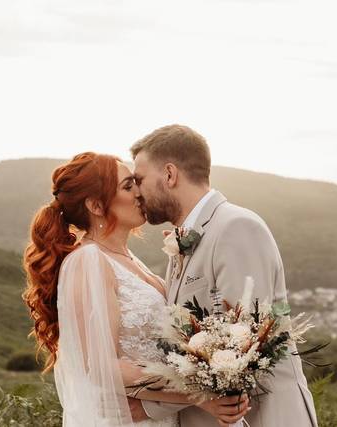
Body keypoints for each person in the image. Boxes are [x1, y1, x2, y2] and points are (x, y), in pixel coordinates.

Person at [22, 152, 249, 426]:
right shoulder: (88, 261)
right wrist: (199, 393)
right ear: (95, 205)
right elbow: (104, 367)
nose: (139, 194)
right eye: (128, 186)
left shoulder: (129, 259)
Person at [128, 125, 319, 427]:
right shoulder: (185, 241)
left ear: (169, 174)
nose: (136, 191)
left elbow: (242, 353)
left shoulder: (235, 227)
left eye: (139, 180)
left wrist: (149, 407)